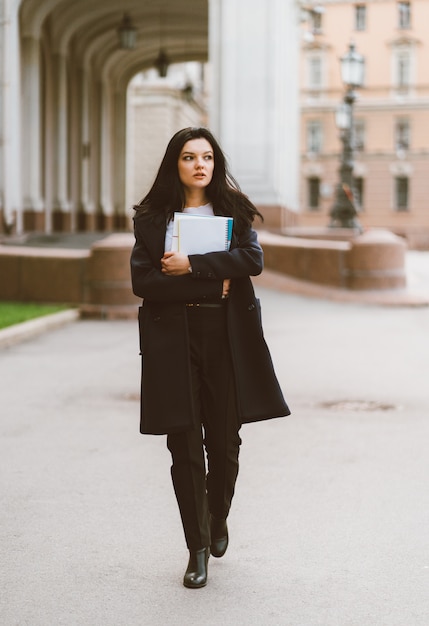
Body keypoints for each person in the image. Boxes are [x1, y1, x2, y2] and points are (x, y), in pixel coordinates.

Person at [130, 127, 290, 589]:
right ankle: (196, 547)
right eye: (188, 157)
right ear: (174, 165)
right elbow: (145, 283)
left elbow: (251, 261)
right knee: (183, 446)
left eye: (206, 157)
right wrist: (204, 281)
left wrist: (192, 265)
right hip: (173, 339)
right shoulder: (152, 219)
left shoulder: (233, 211)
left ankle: (217, 516)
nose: (199, 164)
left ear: (215, 163)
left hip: (225, 335)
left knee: (223, 443)